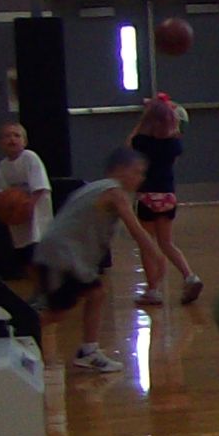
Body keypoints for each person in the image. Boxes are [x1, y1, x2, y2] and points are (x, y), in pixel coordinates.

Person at [31, 144, 169, 376]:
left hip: (61, 254)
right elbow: (135, 229)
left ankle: (89, 351)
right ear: (119, 170)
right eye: (136, 171)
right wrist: (158, 257)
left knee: (96, 293)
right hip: (62, 257)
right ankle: (12, 335)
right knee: (57, 313)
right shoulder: (115, 192)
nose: (140, 178)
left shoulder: (94, 188)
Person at [127, 92, 203, 307]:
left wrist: (145, 116)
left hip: (147, 197)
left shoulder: (143, 142)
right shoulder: (174, 146)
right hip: (168, 197)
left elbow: (130, 141)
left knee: (147, 244)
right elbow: (175, 134)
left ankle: (153, 290)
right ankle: (190, 276)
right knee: (167, 243)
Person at [0, 120, 52, 281]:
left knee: (38, 257)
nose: (12, 139)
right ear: (0, 143)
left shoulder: (30, 158)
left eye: (16, 135)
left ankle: (47, 290)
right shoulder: (2, 166)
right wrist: (5, 209)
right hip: (18, 222)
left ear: (24, 141)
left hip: (37, 218)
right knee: (25, 259)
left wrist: (27, 206)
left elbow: (40, 188)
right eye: (7, 136)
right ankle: (37, 290)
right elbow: (3, 195)